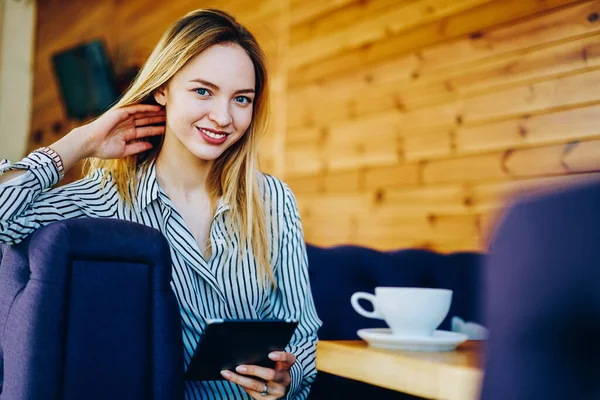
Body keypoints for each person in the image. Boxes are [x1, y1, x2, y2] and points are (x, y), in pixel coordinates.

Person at [0, 8, 321, 400]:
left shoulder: (273, 199)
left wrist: (288, 380)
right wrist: (78, 143)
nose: (222, 117)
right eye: (203, 90)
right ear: (163, 88)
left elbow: (303, 331)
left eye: (241, 99)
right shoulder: (105, 198)